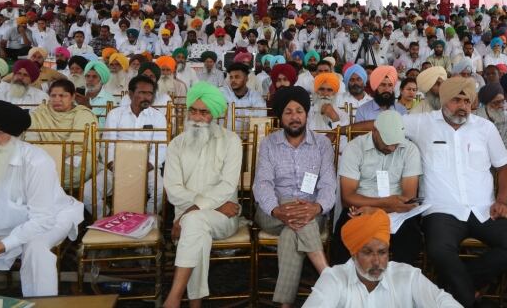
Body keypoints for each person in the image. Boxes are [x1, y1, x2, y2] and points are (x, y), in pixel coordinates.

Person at [402, 77, 507, 307]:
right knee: (439, 250)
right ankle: (468, 298)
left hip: (484, 209)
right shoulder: (422, 123)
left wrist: (502, 200)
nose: (462, 106)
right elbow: (384, 123)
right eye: (456, 100)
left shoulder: (485, 128)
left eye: (467, 100)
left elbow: (504, 167)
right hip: (441, 210)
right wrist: (344, 130)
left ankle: (452, 287)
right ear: (444, 101)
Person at [0, 101, 84, 296]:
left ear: (12, 135)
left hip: (50, 218)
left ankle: (42, 303)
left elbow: (42, 219)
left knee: (36, 249)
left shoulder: (37, 161)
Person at [252, 86, 335, 307]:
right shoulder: (269, 144)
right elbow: (262, 183)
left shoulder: (322, 144)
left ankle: (284, 303)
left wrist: (316, 208)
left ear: (307, 114)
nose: (294, 117)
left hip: (312, 213)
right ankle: (327, 274)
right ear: (280, 117)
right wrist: (278, 209)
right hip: (272, 213)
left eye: (299, 111)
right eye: (288, 112)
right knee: (296, 213)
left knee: (291, 234)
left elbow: (328, 184)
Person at [163, 82, 242, 308]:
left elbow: (227, 186)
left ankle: (173, 298)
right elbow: (173, 189)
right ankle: (192, 303)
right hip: (205, 213)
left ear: (214, 115)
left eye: (204, 112)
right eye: (193, 110)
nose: (197, 117)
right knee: (196, 227)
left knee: (192, 222)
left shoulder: (231, 141)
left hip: (224, 218)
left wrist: (192, 210)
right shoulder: (176, 145)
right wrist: (209, 207)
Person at [305, 208, 462, 307]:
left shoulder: (407, 276)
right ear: (353, 254)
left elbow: (441, 301)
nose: (377, 261)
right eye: (367, 252)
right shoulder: (334, 279)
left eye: (382, 252)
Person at [333, 111, 422, 265]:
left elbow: (407, 198)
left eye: (396, 142)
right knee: (343, 246)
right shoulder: (355, 148)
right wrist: (385, 205)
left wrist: (375, 209)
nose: (392, 147)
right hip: (359, 210)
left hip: (396, 213)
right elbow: (347, 198)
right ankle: (348, 287)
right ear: (374, 131)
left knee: (410, 242)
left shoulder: (409, 149)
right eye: (388, 141)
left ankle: (398, 286)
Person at [82, 75, 167, 216]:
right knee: (87, 192)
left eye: (150, 93)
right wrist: (114, 166)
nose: (147, 97)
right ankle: (107, 218)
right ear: (131, 93)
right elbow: (108, 144)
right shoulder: (115, 114)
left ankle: (146, 220)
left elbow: (161, 147)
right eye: (142, 93)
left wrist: (146, 167)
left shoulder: (158, 117)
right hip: (116, 167)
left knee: (161, 191)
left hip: (147, 168)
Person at [27, 79, 97, 187]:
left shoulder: (83, 114)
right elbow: (31, 141)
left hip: (69, 159)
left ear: (73, 97)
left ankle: (46, 182)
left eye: (62, 95)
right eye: (53, 96)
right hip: (43, 158)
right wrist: (49, 157)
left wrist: (54, 155)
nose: (57, 99)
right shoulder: (39, 114)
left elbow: (78, 143)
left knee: (86, 161)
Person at [475, 82, 507, 152]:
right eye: (496, 102)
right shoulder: (475, 119)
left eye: (502, 101)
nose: (501, 105)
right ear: (486, 104)